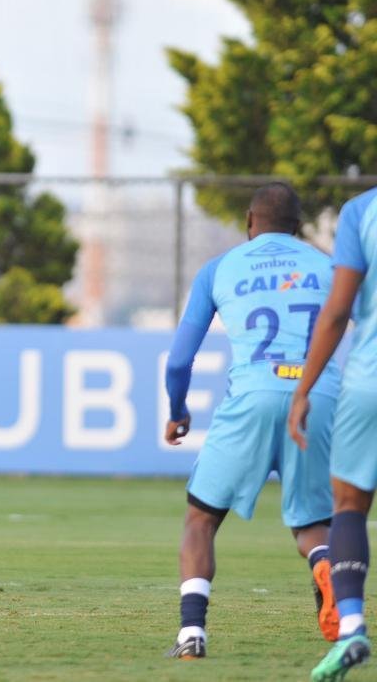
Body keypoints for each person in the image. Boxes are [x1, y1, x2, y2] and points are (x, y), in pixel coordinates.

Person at [164, 182, 339, 660]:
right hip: (318, 396)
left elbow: (179, 361)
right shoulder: (329, 266)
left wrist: (178, 411)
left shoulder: (219, 268)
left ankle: (191, 634)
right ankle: (325, 564)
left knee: (201, 518)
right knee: (313, 522)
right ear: (298, 226)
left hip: (254, 396)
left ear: (249, 221)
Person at [288, 182, 377, 680]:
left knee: (347, 505)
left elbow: (338, 310)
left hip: (369, 380)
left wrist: (304, 389)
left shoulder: (361, 211)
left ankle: (352, 630)